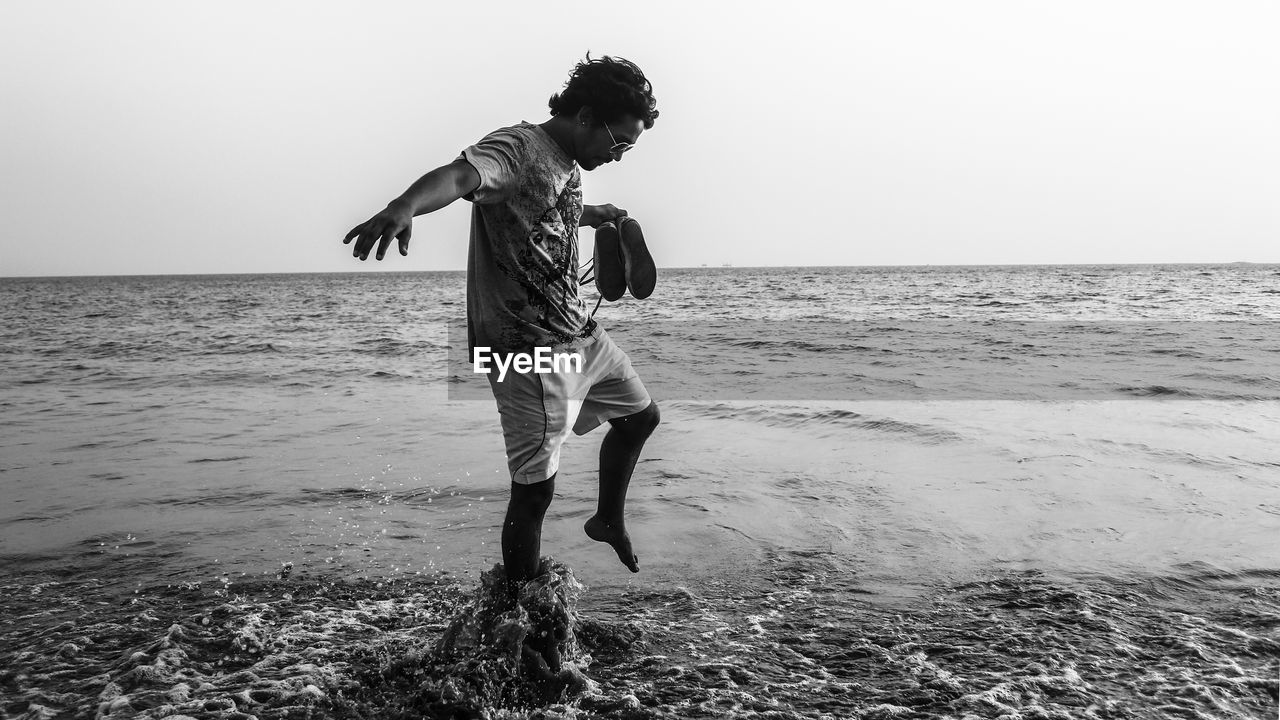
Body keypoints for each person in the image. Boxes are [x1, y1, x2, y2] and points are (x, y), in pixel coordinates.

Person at [343, 55, 661, 588]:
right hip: (528, 350)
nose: (618, 154)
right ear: (585, 116)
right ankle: (517, 612)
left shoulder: (565, 163)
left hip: (578, 335)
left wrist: (590, 212)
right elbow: (460, 175)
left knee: (640, 417)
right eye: (618, 142)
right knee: (534, 491)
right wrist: (404, 206)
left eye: (628, 147)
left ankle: (607, 520)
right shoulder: (516, 147)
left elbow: (541, 203)